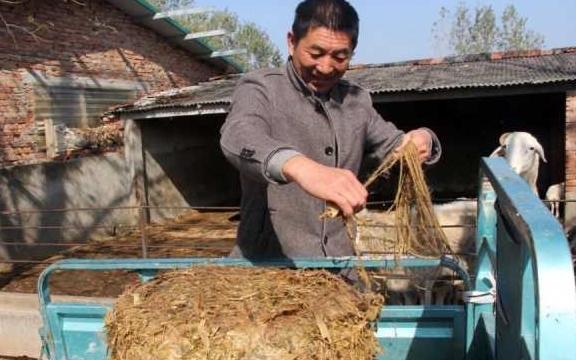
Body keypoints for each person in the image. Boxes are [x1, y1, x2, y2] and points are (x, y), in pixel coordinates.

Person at [220, 0, 440, 260]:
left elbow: (396, 146)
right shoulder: (261, 88)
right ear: (292, 42)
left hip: (340, 265)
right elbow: (238, 135)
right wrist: (301, 167)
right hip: (269, 267)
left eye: (340, 57)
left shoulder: (356, 100)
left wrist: (423, 138)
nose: (325, 67)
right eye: (315, 54)